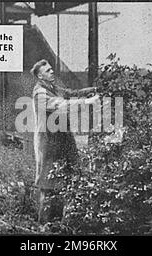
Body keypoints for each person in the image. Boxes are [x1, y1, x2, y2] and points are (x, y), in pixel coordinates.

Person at [30, 59, 99, 224]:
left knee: (65, 180)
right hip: (49, 143)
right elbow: (59, 105)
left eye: (51, 69)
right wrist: (86, 102)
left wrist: (93, 90)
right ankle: (44, 226)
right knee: (47, 185)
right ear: (40, 75)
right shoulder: (40, 92)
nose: (52, 72)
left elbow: (70, 93)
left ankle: (59, 224)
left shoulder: (52, 88)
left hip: (61, 139)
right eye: (47, 71)